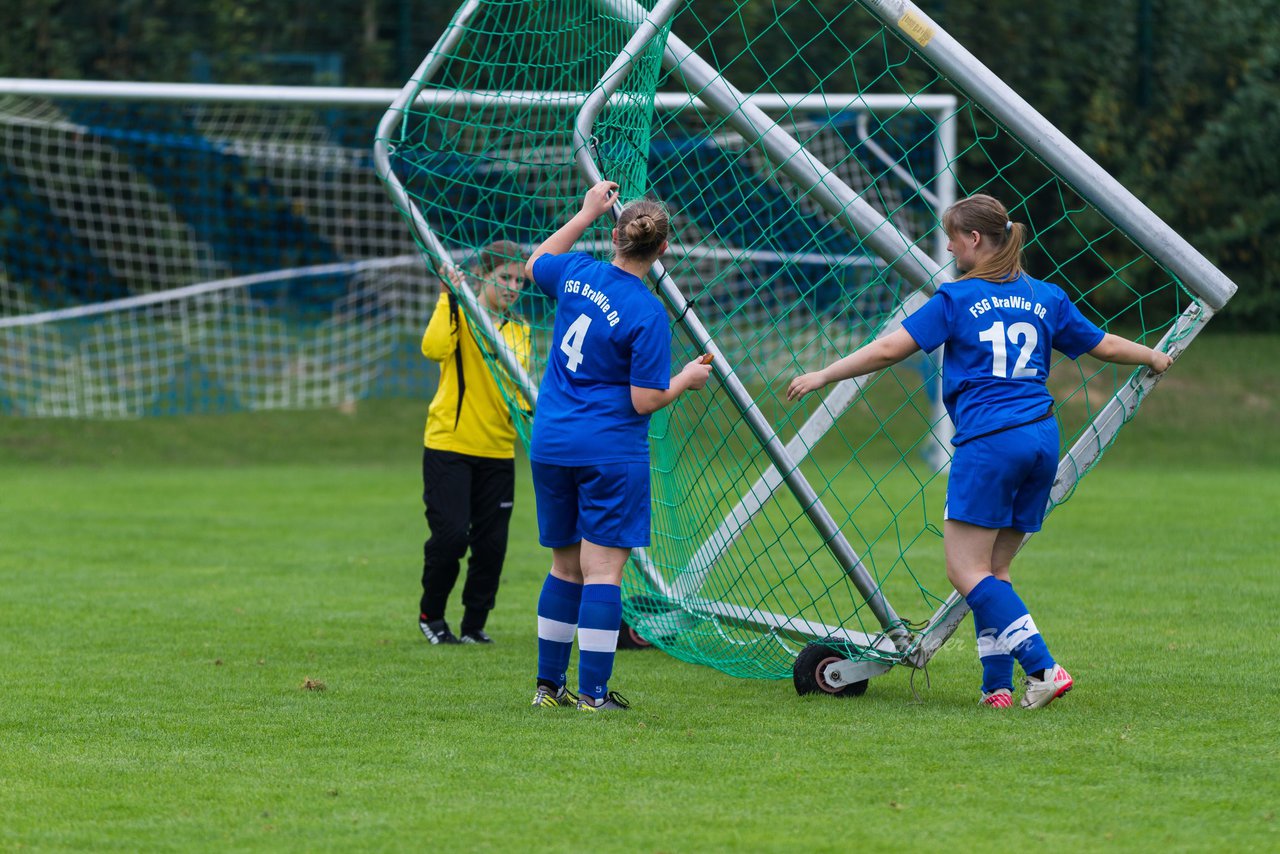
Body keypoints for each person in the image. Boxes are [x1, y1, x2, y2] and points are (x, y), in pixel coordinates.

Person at [787, 193, 1173, 710]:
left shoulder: (956, 298)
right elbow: (1102, 344)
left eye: (952, 237)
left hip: (990, 441)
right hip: (1040, 438)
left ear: (974, 240)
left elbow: (886, 349)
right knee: (995, 572)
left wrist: (824, 373)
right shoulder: (1046, 297)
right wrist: (1153, 355)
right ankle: (997, 688)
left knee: (964, 570)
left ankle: (1043, 667)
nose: (947, 247)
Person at [524, 180, 713, 712]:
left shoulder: (577, 273)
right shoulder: (647, 311)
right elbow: (645, 400)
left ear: (615, 236)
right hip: (607, 449)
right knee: (603, 571)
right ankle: (593, 696)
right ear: (664, 249)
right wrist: (685, 380)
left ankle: (548, 688)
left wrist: (583, 214)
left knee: (564, 567)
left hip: (553, 443)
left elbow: (536, 260)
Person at [417, 240, 531, 645]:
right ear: (483, 274)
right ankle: (432, 616)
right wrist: (448, 297)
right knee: (450, 538)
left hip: (498, 452)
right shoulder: (461, 312)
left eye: (519, 280)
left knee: (492, 546)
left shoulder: (521, 330)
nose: (513, 287)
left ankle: (474, 624)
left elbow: (518, 394)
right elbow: (433, 349)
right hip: (450, 445)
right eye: (505, 277)